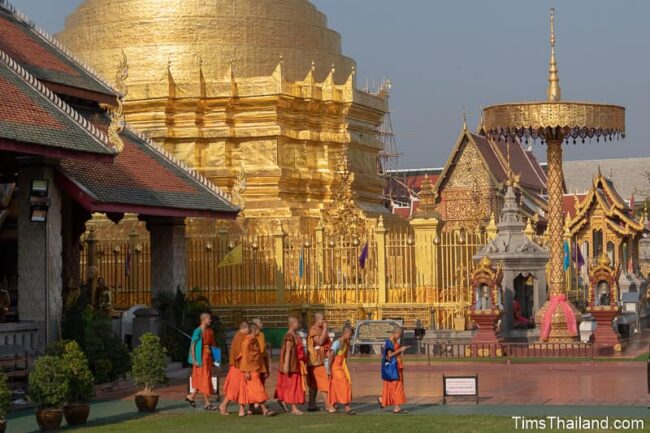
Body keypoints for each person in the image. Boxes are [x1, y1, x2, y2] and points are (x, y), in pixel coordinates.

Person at [240, 323, 275, 416]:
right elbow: (245, 356)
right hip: (250, 369)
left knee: (252, 390)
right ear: (253, 330)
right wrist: (246, 370)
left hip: (255, 367)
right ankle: (264, 410)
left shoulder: (253, 339)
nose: (259, 331)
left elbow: (256, 355)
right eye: (257, 330)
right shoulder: (248, 340)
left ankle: (250, 410)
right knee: (258, 389)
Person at [275, 316, 307, 415]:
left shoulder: (295, 335)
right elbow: (288, 351)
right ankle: (293, 408)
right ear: (292, 324)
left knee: (290, 385)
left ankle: (282, 399)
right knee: (292, 386)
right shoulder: (289, 336)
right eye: (296, 323)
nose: (298, 324)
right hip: (291, 365)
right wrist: (286, 365)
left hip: (297, 364)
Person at [186, 313, 217, 410]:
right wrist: (194, 359)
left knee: (204, 378)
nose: (210, 321)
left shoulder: (210, 331)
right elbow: (193, 345)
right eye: (209, 319)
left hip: (208, 357)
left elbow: (214, 346)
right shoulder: (197, 331)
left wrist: (216, 360)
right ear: (203, 320)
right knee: (203, 379)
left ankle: (191, 396)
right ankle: (207, 403)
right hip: (200, 358)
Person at [219, 321, 249, 416]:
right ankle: (224, 405)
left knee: (240, 388)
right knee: (237, 388)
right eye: (248, 329)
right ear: (245, 328)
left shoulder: (238, 336)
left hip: (238, 367)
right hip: (239, 367)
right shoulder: (241, 337)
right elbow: (241, 353)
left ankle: (240, 409)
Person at [377, 327, 410, 414]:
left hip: (396, 366)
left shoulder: (394, 341)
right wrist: (400, 349)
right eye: (400, 336)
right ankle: (397, 407)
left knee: (391, 386)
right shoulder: (389, 342)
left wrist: (401, 350)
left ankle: (382, 399)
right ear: (397, 333)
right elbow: (389, 356)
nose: (399, 338)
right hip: (393, 368)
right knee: (397, 386)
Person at [327, 326, 355, 415]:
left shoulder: (345, 343)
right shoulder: (337, 343)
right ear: (345, 333)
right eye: (350, 335)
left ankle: (332, 405)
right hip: (335, 367)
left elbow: (345, 356)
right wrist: (328, 368)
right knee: (344, 385)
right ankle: (347, 407)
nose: (350, 337)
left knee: (335, 386)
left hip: (341, 366)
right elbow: (331, 354)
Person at [307, 312, 331, 411]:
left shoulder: (320, 329)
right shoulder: (313, 330)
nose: (324, 321)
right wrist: (325, 329)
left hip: (319, 359)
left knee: (314, 384)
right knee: (323, 382)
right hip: (316, 360)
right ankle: (328, 406)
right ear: (318, 319)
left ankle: (311, 404)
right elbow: (319, 342)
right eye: (323, 319)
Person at [249, 318, 269, 414]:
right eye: (260, 323)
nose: (262, 324)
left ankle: (254, 406)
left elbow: (263, 351)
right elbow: (260, 351)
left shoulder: (260, 335)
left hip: (259, 363)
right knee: (257, 385)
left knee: (258, 384)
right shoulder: (251, 337)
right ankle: (257, 406)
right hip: (255, 365)